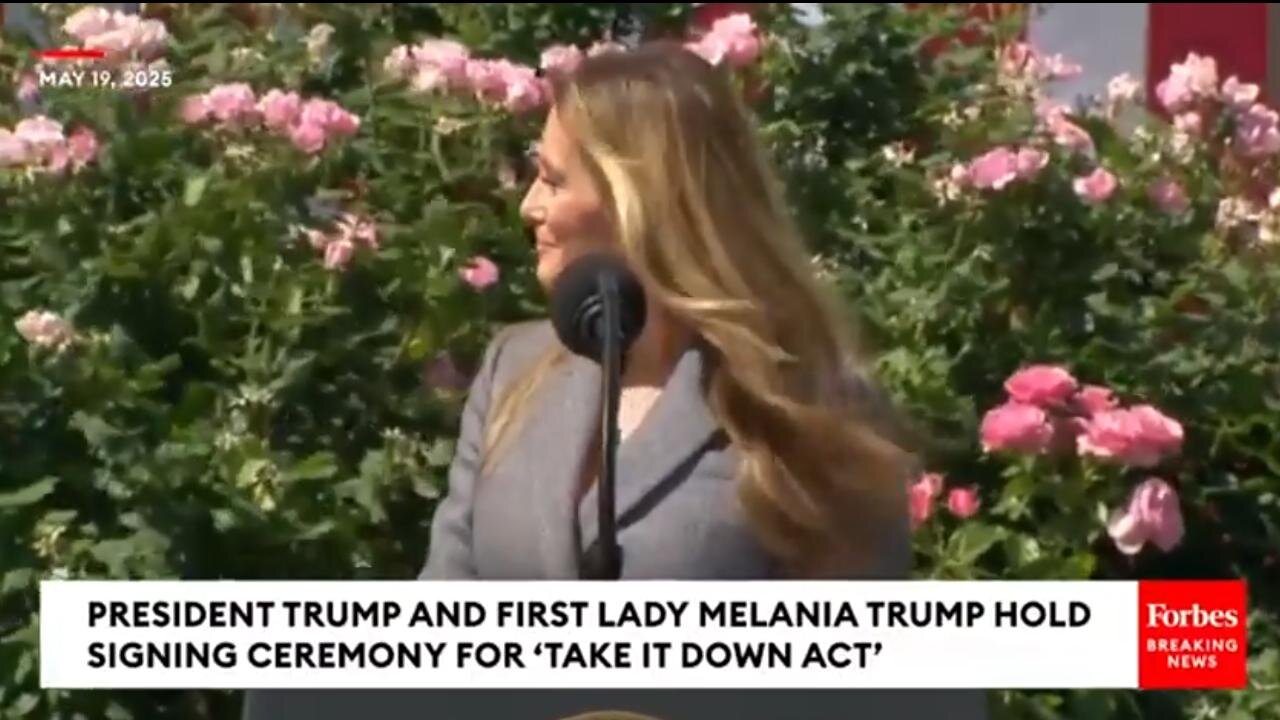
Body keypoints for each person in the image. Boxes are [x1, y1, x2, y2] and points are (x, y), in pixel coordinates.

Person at [244, 40, 989, 720]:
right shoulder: (513, 369)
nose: (529, 206)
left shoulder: (813, 407)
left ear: (643, 200)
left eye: (552, 179)